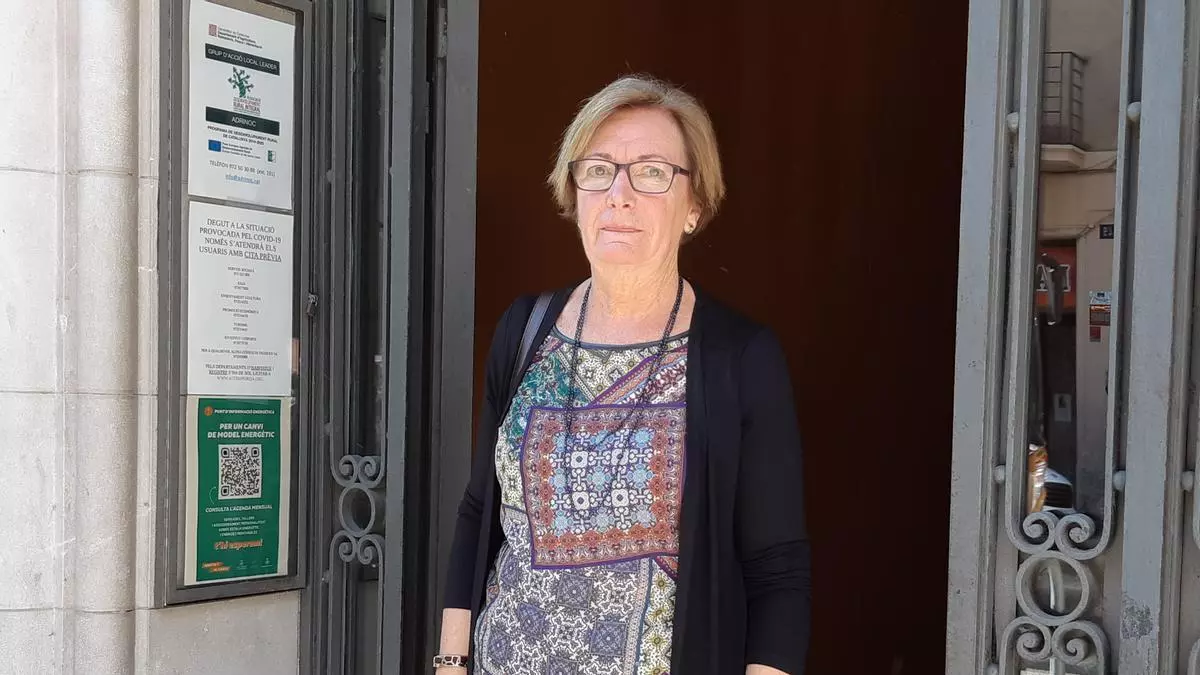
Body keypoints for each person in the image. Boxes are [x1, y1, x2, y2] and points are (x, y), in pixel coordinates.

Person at [436, 74, 811, 675]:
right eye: (599, 170)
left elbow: (777, 571)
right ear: (574, 192)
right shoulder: (524, 330)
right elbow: (480, 508)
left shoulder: (739, 357)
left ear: (694, 206)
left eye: (652, 172)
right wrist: (451, 662)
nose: (619, 194)